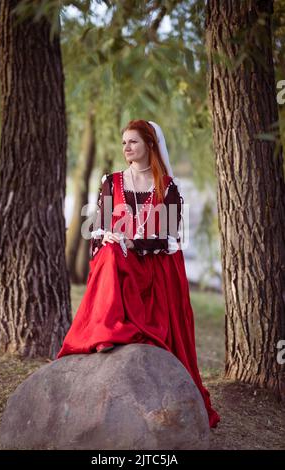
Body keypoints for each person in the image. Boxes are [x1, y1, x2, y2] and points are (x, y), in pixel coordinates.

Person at [56, 119, 220, 429]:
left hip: (154, 263)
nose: (126, 148)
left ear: (150, 145)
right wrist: (105, 235)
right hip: (118, 257)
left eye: (133, 142)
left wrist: (132, 241)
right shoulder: (112, 181)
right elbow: (98, 225)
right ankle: (106, 331)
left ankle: (124, 329)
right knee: (108, 252)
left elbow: (170, 237)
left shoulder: (168, 187)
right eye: (124, 142)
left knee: (116, 252)